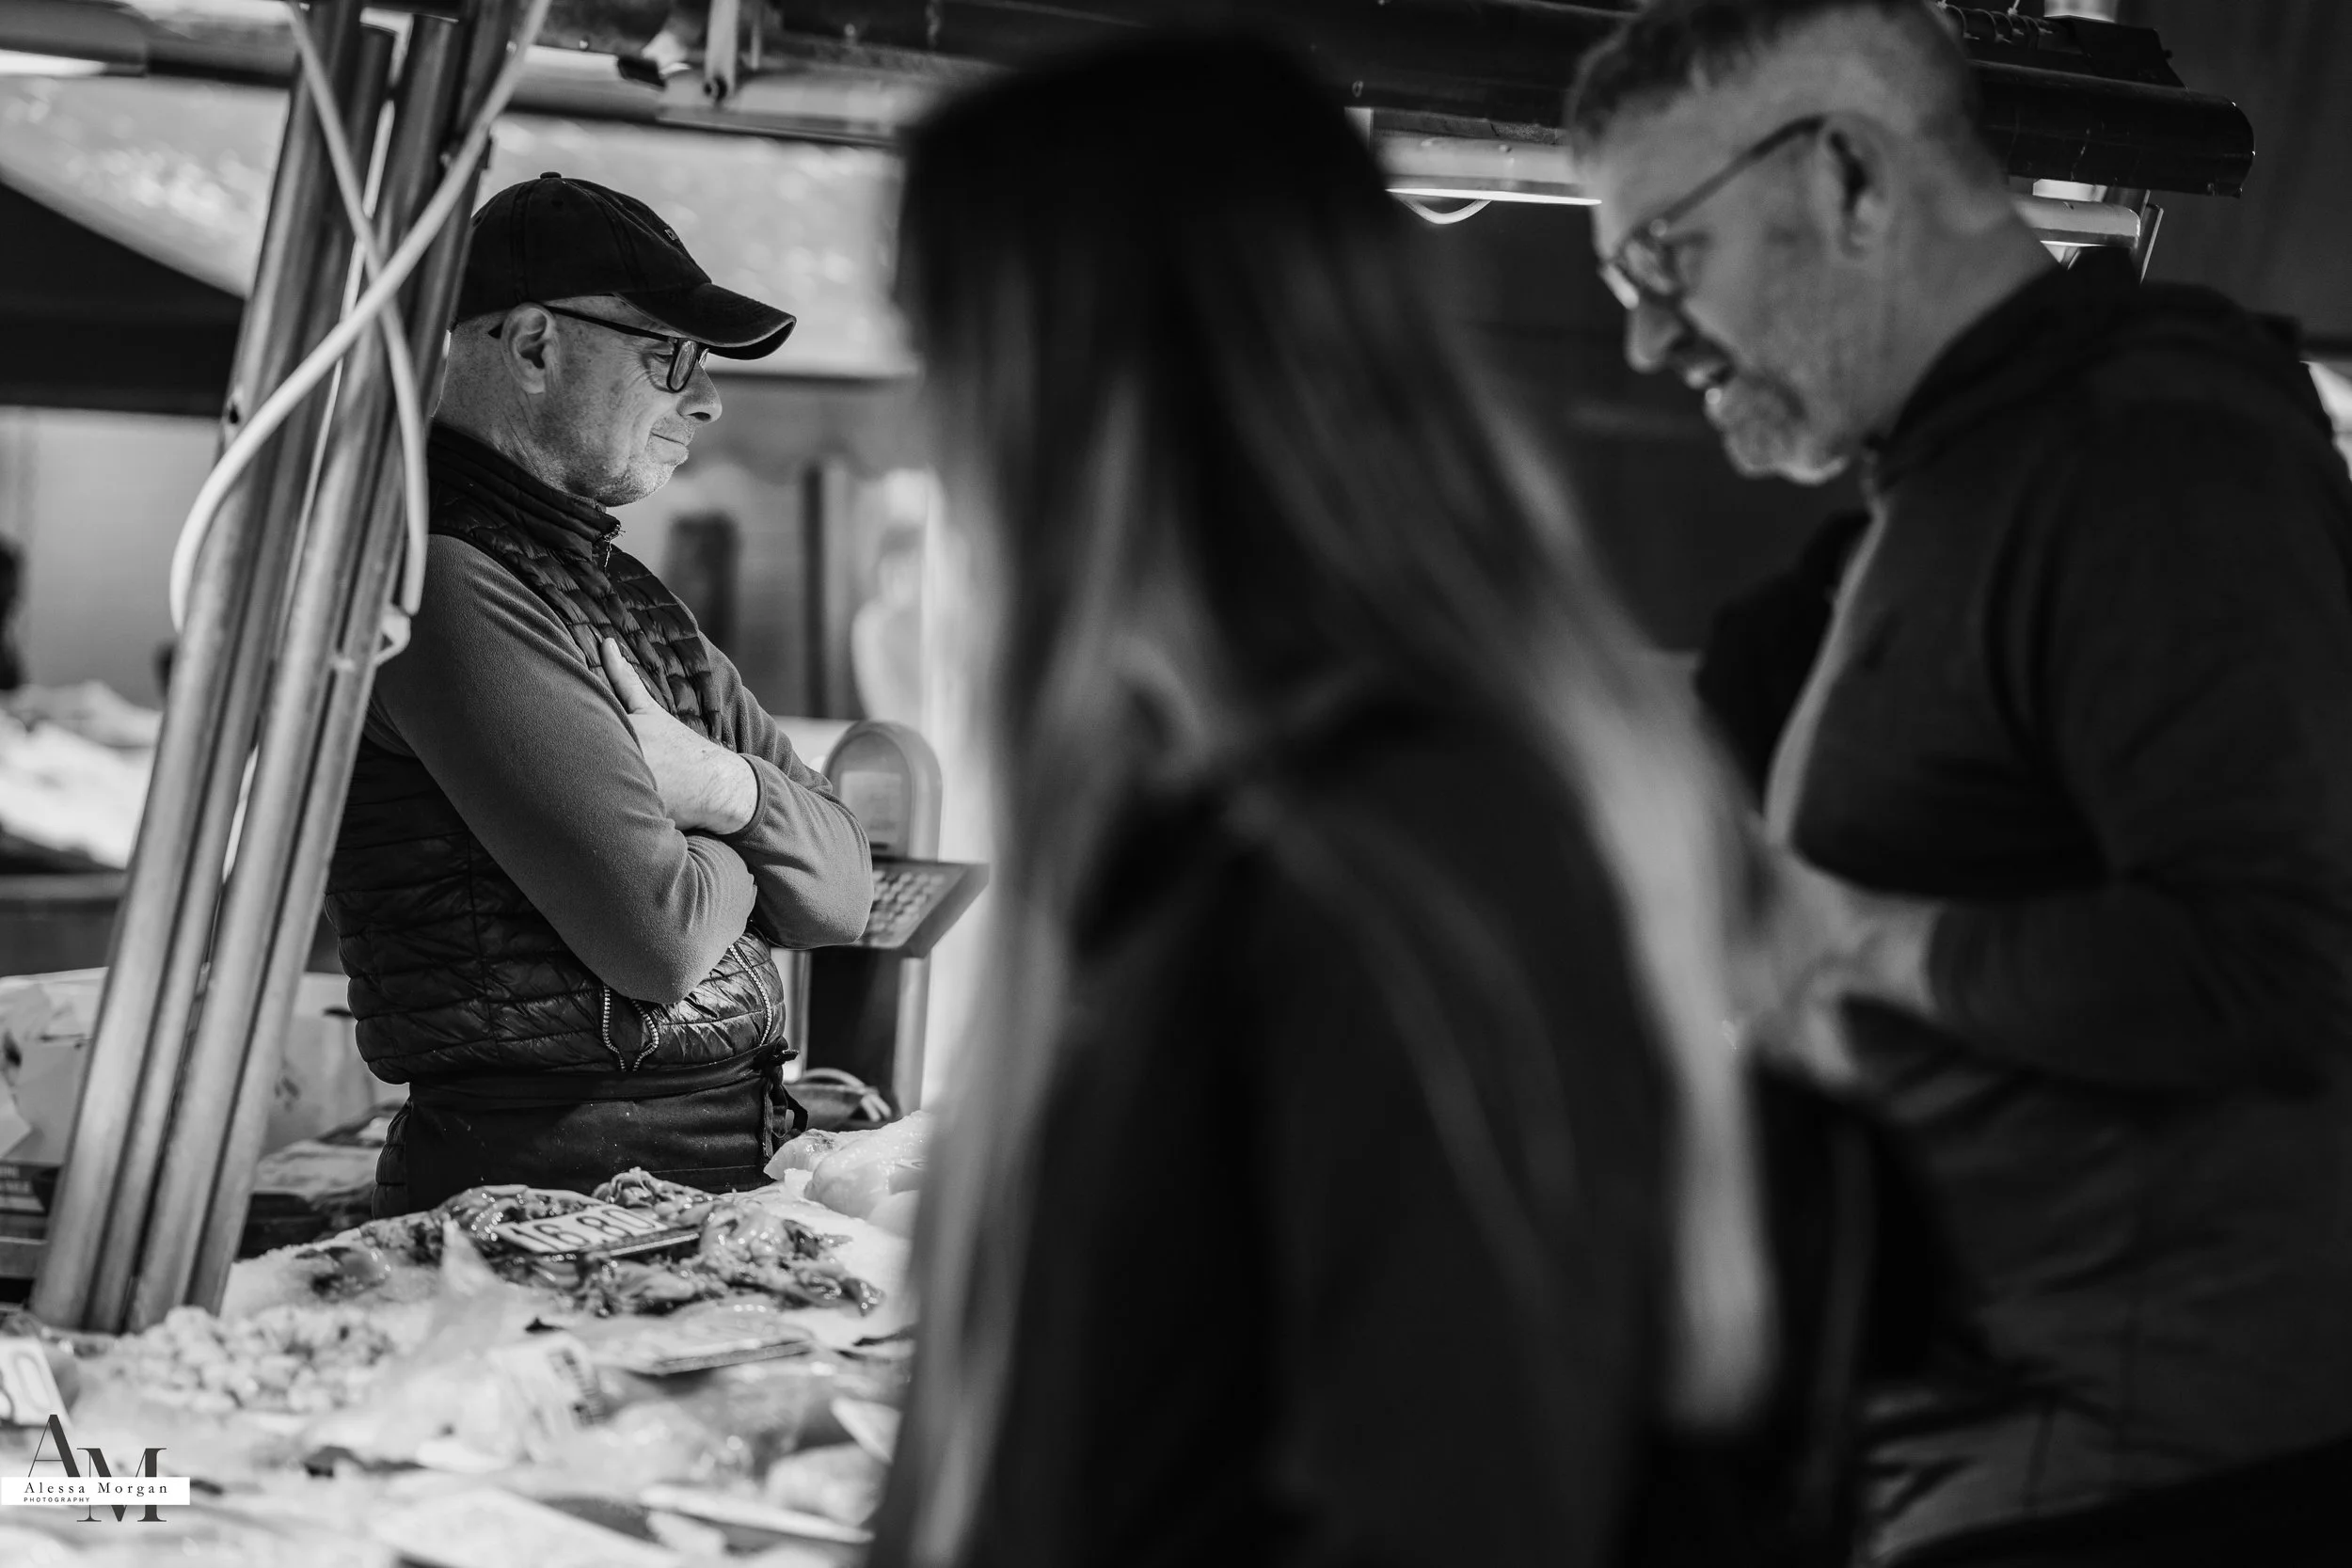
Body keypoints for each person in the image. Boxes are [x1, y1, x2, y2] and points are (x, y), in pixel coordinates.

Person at [869, 34, 1777, 1568]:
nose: (930, 453)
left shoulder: (1411, 854)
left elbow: (1453, 1507)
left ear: (1106, 405)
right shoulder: (1211, 809)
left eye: (952, 370)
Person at [1569, 3, 2352, 1564]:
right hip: (1972, 1456)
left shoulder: (2154, 462)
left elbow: (2283, 961)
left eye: (1667, 254)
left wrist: (1860, 939)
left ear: (1851, 177)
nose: (1646, 339)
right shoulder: (1957, 475)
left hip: (2135, 1484)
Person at [326, 174, 873, 1215]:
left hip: (687, 1181)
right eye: (669, 354)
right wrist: (757, 841)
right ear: (533, 346)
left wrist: (717, 789)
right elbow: (658, 940)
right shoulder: (440, 583)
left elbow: (846, 894)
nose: (705, 398)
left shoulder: (629, 595)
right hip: (539, 1199)